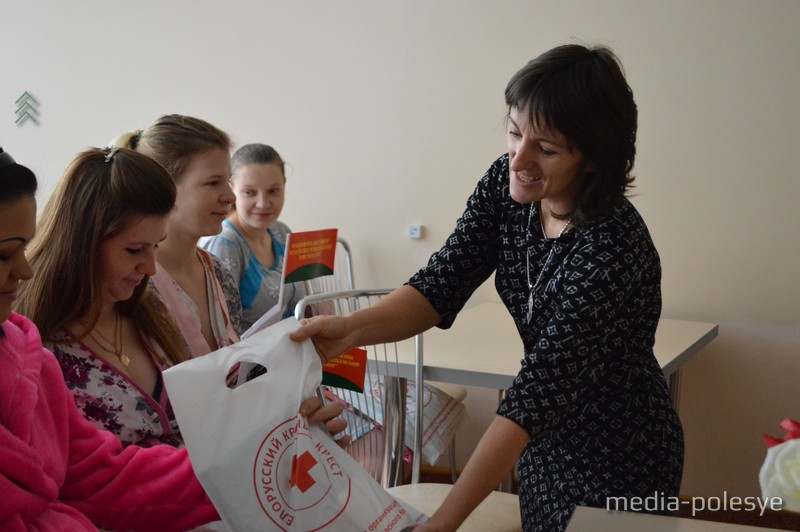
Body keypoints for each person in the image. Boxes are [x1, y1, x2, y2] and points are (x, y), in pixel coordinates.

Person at [291, 44, 684, 531]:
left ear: (593, 159)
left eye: (546, 148)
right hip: (543, 449)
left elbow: (532, 396)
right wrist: (350, 331)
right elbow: (440, 283)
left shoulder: (612, 249)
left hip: (621, 456)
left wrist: (443, 522)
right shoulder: (508, 187)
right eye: (515, 133)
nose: (519, 158)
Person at [0, 146, 218, 529]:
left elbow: (99, 475)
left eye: (155, 247)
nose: (25, 269)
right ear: (82, 243)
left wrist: (264, 436)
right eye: (134, 250)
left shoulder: (148, 308)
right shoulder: (40, 348)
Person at [112, 115, 243, 356]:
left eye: (228, 181)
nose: (231, 197)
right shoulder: (134, 284)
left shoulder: (219, 274)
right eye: (213, 183)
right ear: (165, 186)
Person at [200, 143, 305, 332]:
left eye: (273, 191)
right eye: (250, 193)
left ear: (284, 186)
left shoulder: (282, 233)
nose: (263, 204)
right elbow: (222, 329)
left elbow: (300, 305)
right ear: (231, 190)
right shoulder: (225, 243)